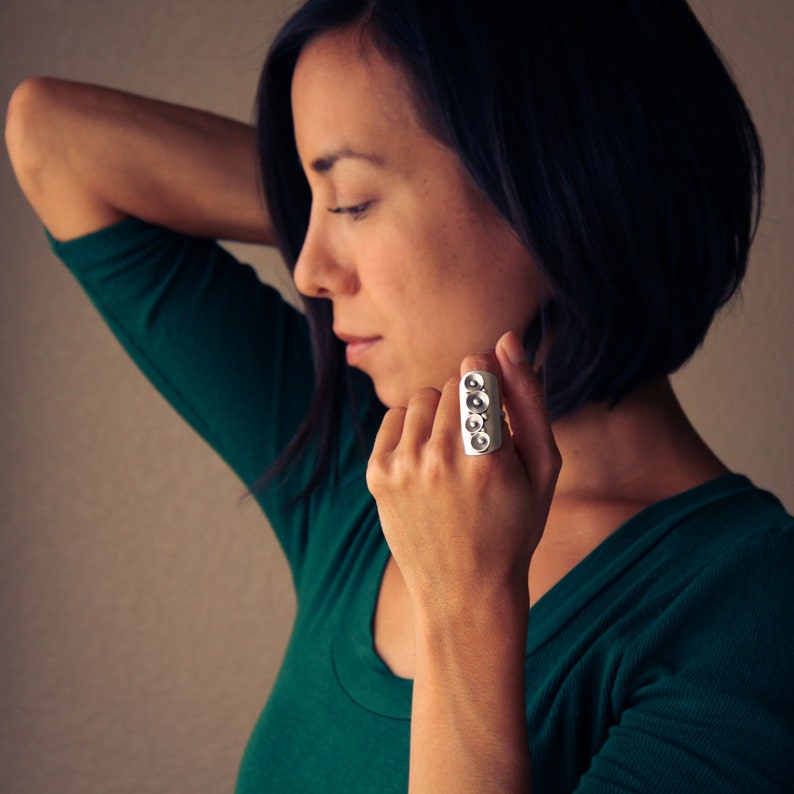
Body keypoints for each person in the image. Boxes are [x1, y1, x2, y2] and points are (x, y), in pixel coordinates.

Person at [5, 0, 793, 791]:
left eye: (348, 203)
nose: (307, 268)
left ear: (555, 193)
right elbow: (52, 138)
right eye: (308, 209)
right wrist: (333, 203)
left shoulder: (753, 610)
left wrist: (468, 601)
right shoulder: (370, 465)